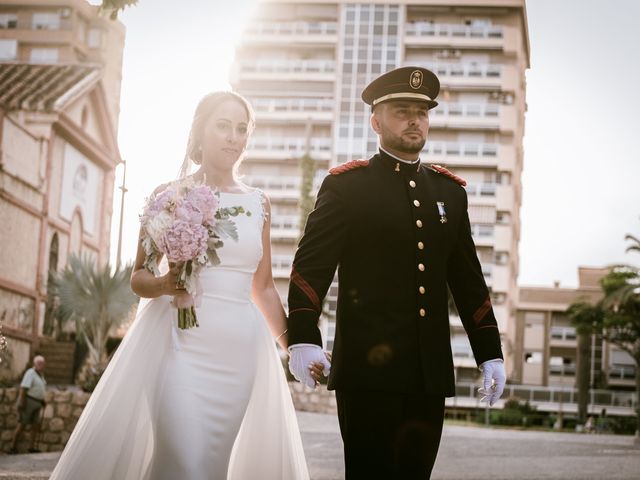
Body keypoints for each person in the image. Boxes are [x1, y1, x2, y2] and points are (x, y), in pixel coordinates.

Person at [50, 91, 310, 479]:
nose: (233, 138)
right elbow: (139, 276)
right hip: (181, 349)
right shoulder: (168, 197)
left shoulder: (260, 203)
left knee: (211, 467)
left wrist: (296, 347)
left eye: (242, 129)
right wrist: (166, 283)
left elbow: (264, 287)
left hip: (239, 357)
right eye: (223, 126)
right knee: (183, 462)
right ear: (200, 132)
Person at [287, 66, 507, 479]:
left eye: (422, 112)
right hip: (367, 373)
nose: (414, 120)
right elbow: (311, 266)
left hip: (428, 373)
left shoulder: (450, 192)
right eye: (402, 111)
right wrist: (302, 338)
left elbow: (468, 281)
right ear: (376, 121)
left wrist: (489, 351)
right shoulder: (347, 186)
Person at [8, 355, 47, 454]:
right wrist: (21, 401)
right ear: (35, 364)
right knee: (22, 424)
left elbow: (39, 389)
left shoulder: (41, 375)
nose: (41, 365)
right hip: (28, 401)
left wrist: (42, 400)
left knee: (35, 425)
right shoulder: (31, 373)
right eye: (39, 363)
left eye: (42, 363)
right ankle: (13, 447)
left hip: (37, 403)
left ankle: (31, 447)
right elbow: (23, 388)